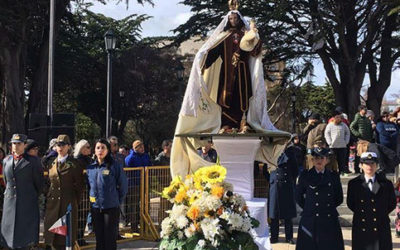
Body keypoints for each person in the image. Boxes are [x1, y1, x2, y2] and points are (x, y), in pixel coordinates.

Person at [203, 3, 262, 131]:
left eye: (235, 18)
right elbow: (213, 53)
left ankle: (244, 122)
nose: (233, 21)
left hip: (242, 71)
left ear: (239, 19)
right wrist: (202, 62)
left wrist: (254, 34)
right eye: (231, 19)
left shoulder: (245, 34)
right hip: (227, 73)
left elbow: (254, 51)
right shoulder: (223, 36)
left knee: (243, 97)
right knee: (225, 98)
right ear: (228, 20)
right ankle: (227, 124)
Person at [295, 147, 344, 250]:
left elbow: (339, 198)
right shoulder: (305, 175)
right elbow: (298, 196)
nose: (319, 161)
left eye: (322, 158)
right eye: (316, 158)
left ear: (327, 160)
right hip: (311, 218)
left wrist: (327, 207)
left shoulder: (333, 176)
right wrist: (310, 207)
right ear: (312, 160)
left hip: (329, 218)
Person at [1, 134, 44, 249]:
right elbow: (7, 182)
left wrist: (29, 195)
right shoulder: (6, 160)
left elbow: (39, 184)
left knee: (25, 239)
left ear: (25, 145)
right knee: (9, 239)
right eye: (13, 143)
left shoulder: (33, 161)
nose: (15, 146)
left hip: (26, 204)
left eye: (19, 143)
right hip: (9, 204)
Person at [347, 152, 396, 250]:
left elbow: (391, 204)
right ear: (361, 165)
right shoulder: (354, 184)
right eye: (366, 163)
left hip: (381, 226)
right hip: (362, 226)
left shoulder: (386, 184)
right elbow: (351, 203)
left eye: (373, 163)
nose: (370, 166)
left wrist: (379, 213)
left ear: (377, 165)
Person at [44, 134, 84, 249]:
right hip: (53, 204)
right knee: (53, 237)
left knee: (65, 238)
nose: (60, 147)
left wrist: (74, 201)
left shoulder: (75, 164)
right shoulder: (51, 163)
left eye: (63, 145)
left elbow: (80, 186)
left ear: (69, 147)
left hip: (67, 204)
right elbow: (49, 183)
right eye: (58, 145)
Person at [87, 139, 128, 250]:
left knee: (110, 239)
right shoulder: (91, 168)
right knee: (99, 239)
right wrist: (93, 201)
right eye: (98, 148)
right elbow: (90, 187)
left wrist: (116, 201)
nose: (100, 150)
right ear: (94, 150)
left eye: (103, 147)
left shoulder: (114, 166)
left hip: (111, 207)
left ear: (108, 150)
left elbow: (123, 186)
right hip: (96, 208)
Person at [269, 146, 298, 244]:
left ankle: (289, 237)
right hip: (275, 185)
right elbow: (266, 169)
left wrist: (289, 179)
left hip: (286, 186)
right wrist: (271, 179)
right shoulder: (271, 152)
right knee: (274, 214)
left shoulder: (290, 153)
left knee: (288, 214)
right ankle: (274, 237)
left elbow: (295, 171)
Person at [125, 140, 152, 231]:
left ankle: (145, 224)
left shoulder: (146, 156)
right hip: (134, 185)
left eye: (142, 146)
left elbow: (149, 166)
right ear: (135, 148)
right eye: (140, 147)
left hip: (145, 183)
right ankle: (134, 226)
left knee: (146, 204)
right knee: (134, 205)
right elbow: (128, 168)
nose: (142, 148)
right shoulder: (130, 158)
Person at [73, 139, 93, 246]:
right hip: (81, 192)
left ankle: (80, 238)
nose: (90, 148)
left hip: (88, 190)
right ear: (81, 149)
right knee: (79, 216)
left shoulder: (89, 160)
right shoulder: (77, 160)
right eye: (88, 147)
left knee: (84, 216)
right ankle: (77, 238)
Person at [324, 110, 351, 174]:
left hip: (342, 146)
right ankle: (333, 172)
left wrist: (346, 141)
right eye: (337, 117)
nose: (338, 119)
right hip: (333, 146)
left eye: (339, 117)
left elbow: (348, 133)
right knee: (332, 160)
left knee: (342, 160)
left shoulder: (344, 125)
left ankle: (342, 171)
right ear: (334, 118)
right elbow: (326, 134)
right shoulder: (330, 125)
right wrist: (329, 142)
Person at [350, 105, 373, 173]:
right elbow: (351, 126)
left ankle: (364, 169)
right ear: (360, 110)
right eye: (364, 109)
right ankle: (357, 168)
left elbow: (369, 129)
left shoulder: (366, 119)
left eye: (366, 109)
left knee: (366, 154)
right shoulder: (357, 117)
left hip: (367, 139)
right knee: (359, 154)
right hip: (360, 139)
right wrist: (357, 134)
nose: (366, 110)